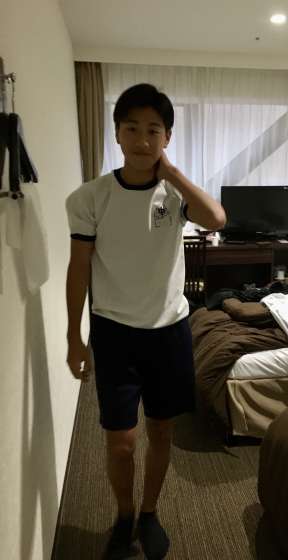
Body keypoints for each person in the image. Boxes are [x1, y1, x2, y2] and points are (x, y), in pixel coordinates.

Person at [65, 83, 226, 560]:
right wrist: (74, 337)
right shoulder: (90, 197)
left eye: (153, 130)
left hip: (169, 332)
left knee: (161, 432)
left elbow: (216, 219)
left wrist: (172, 174)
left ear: (167, 137)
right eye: (131, 128)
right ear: (116, 133)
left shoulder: (174, 194)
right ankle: (123, 515)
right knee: (120, 443)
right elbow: (78, 269)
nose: (141, 139)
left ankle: (150, 512)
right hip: (114, 333)